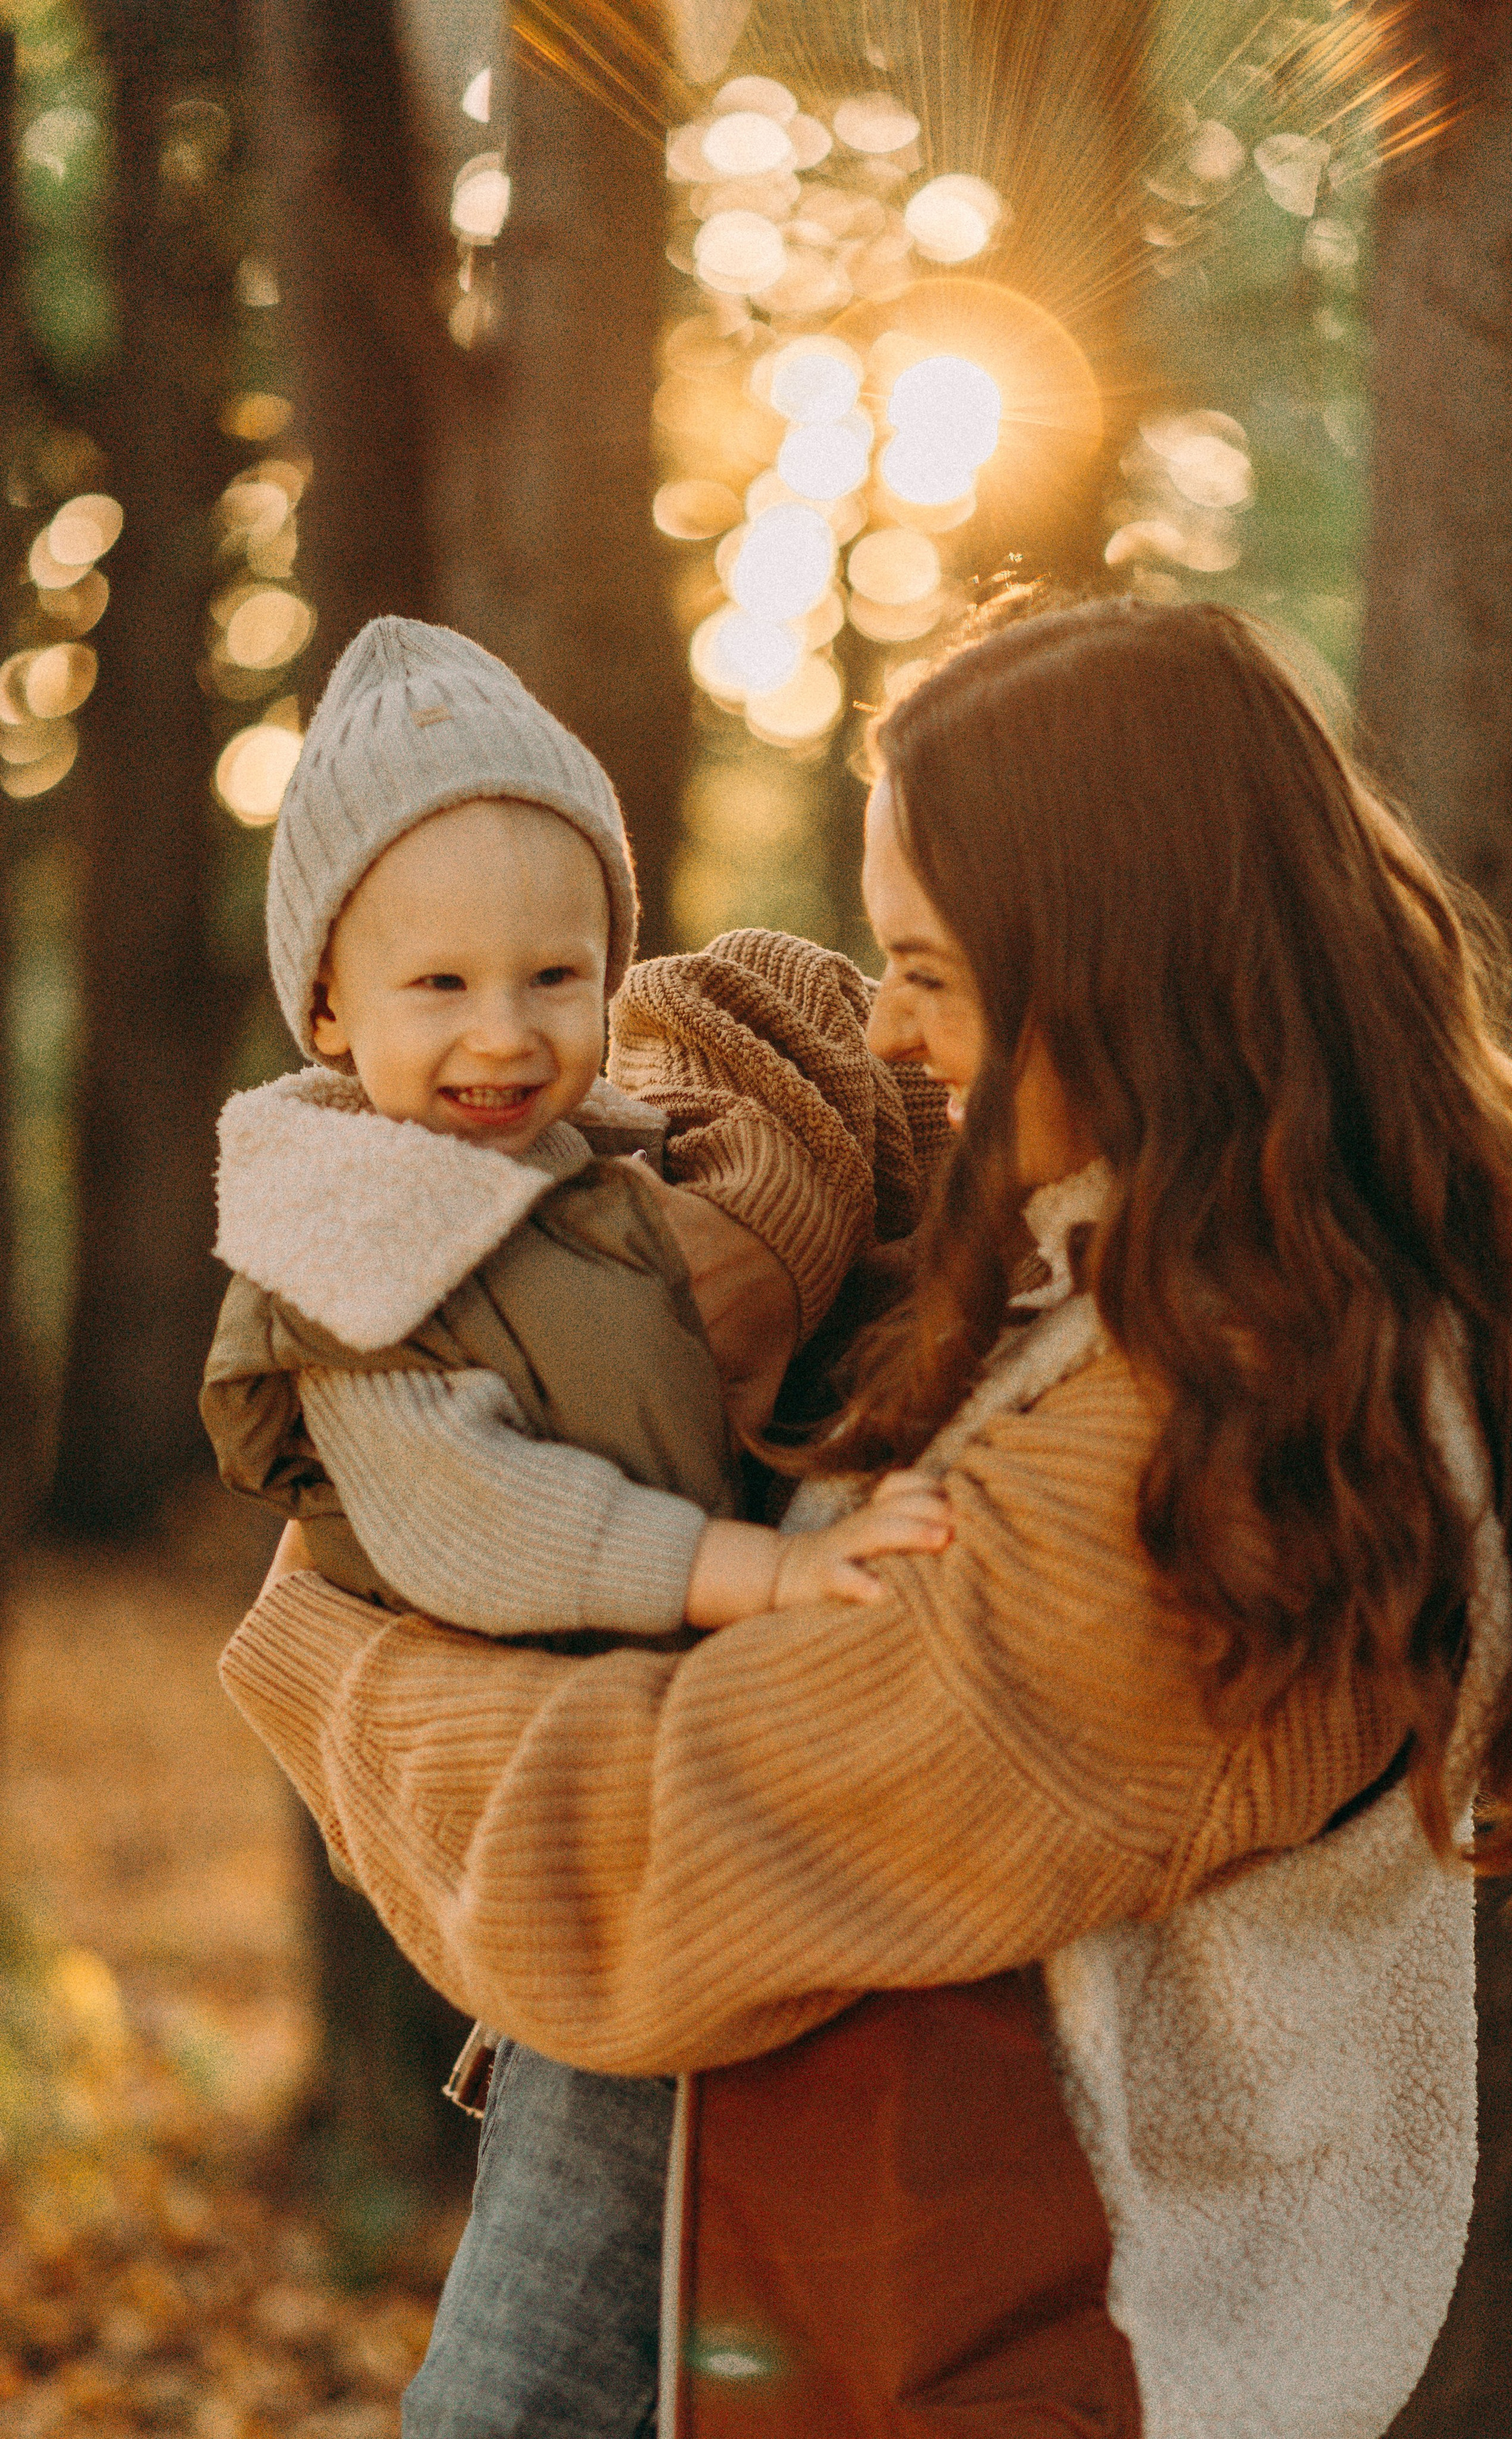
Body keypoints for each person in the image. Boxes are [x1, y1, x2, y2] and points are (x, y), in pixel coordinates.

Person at [222, 596, 1512, 2439]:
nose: (895, 1022)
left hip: (1027, 2344)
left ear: (1117, 971)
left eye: (936, 966)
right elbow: (748, 1033)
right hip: (865, 2294)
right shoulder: (1162, 1263)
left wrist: (328, 1647)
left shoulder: (1213, 1452)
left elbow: (648, 1856)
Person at [200, 615, 951, 2439]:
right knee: (532, 2372)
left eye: (557, 976)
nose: (504, 1034)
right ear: (326, 1010)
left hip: (704, 1812)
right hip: (592, 1845)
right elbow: (480, 1523)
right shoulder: (349, 1236)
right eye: (436, 988)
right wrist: (752, 1571)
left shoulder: (609, 1166)